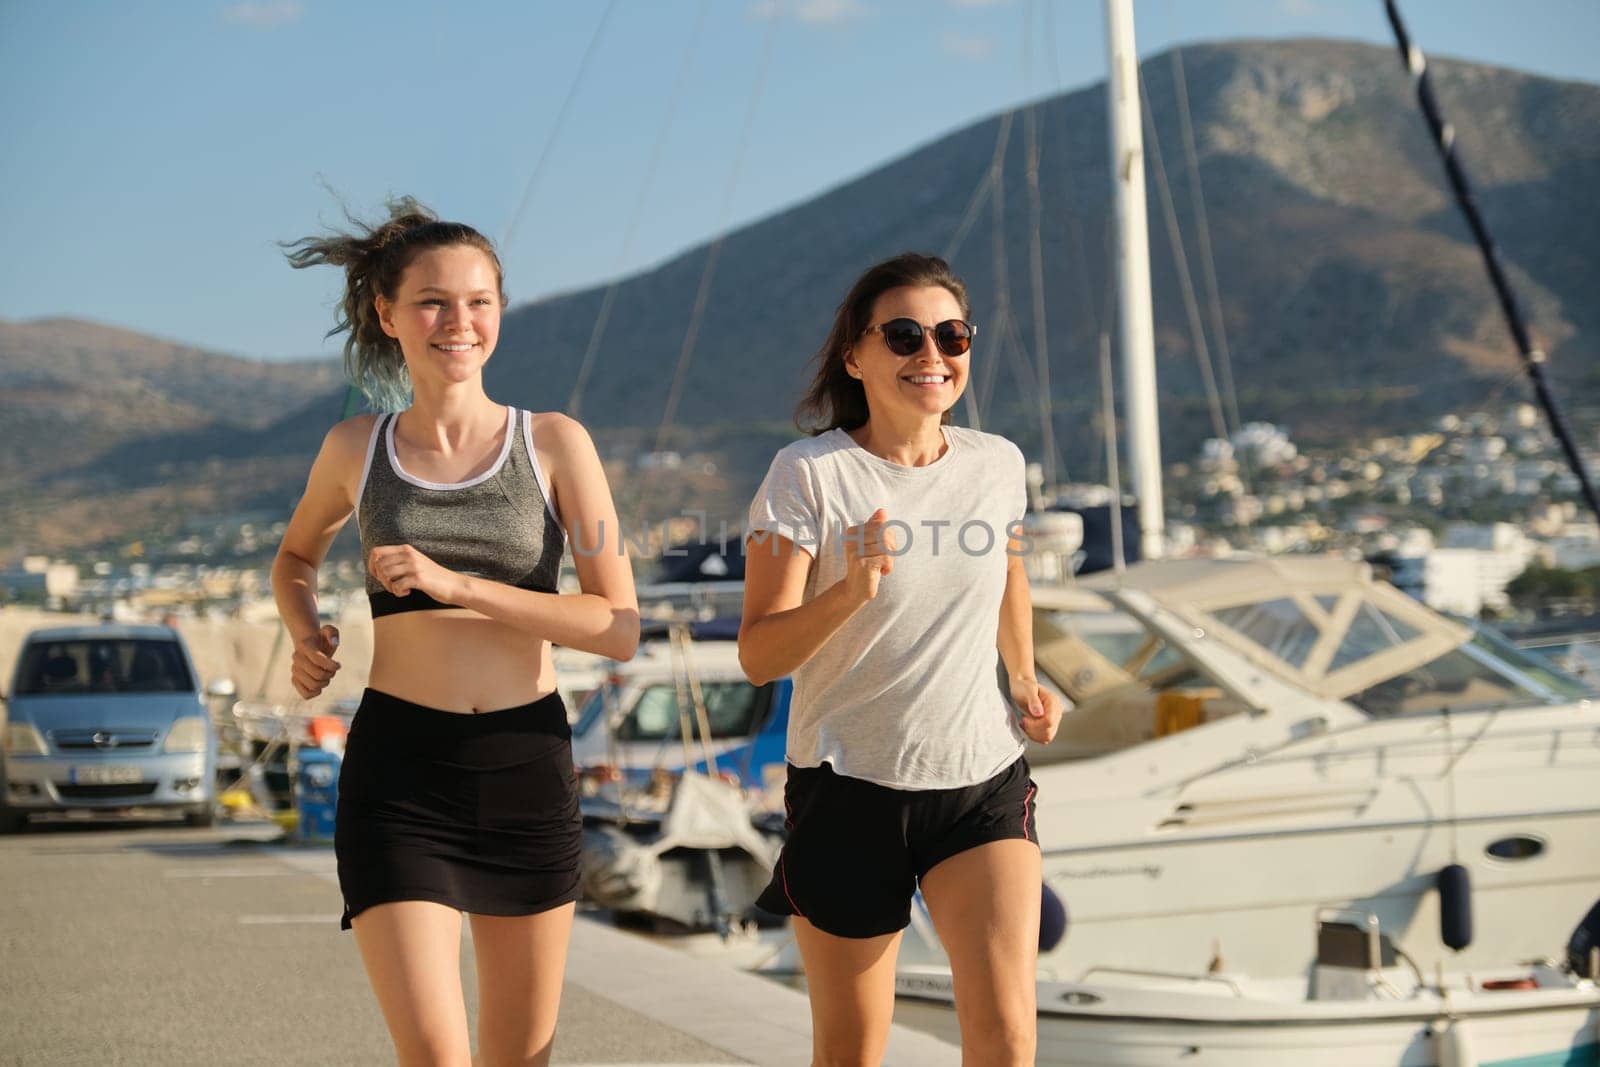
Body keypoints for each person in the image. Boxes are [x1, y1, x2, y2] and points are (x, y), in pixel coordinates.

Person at [271, 198, 639, 1067]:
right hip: (399, 772)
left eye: (480, 301)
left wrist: (457, 585)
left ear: (501, 313)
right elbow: (295, 555)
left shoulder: (554, 444)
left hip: (524, 765)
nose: (459, 321)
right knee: (435, 1057)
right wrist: (304, 631)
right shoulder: (355, 448)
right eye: (434, 301)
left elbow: (616, 624)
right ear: (387, 314)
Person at [738, 252, 1063, 1066]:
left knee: (1008, 1033)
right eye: (905, 335)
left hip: (980, 781)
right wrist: (848, 590)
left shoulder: (998, 464)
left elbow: (1007, 570)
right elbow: (757, 653)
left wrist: (1023, 677)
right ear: (856, 355)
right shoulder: (807, 476)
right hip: (848, 790)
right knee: (852, 1049)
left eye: (952, 335)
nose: (933, 354)